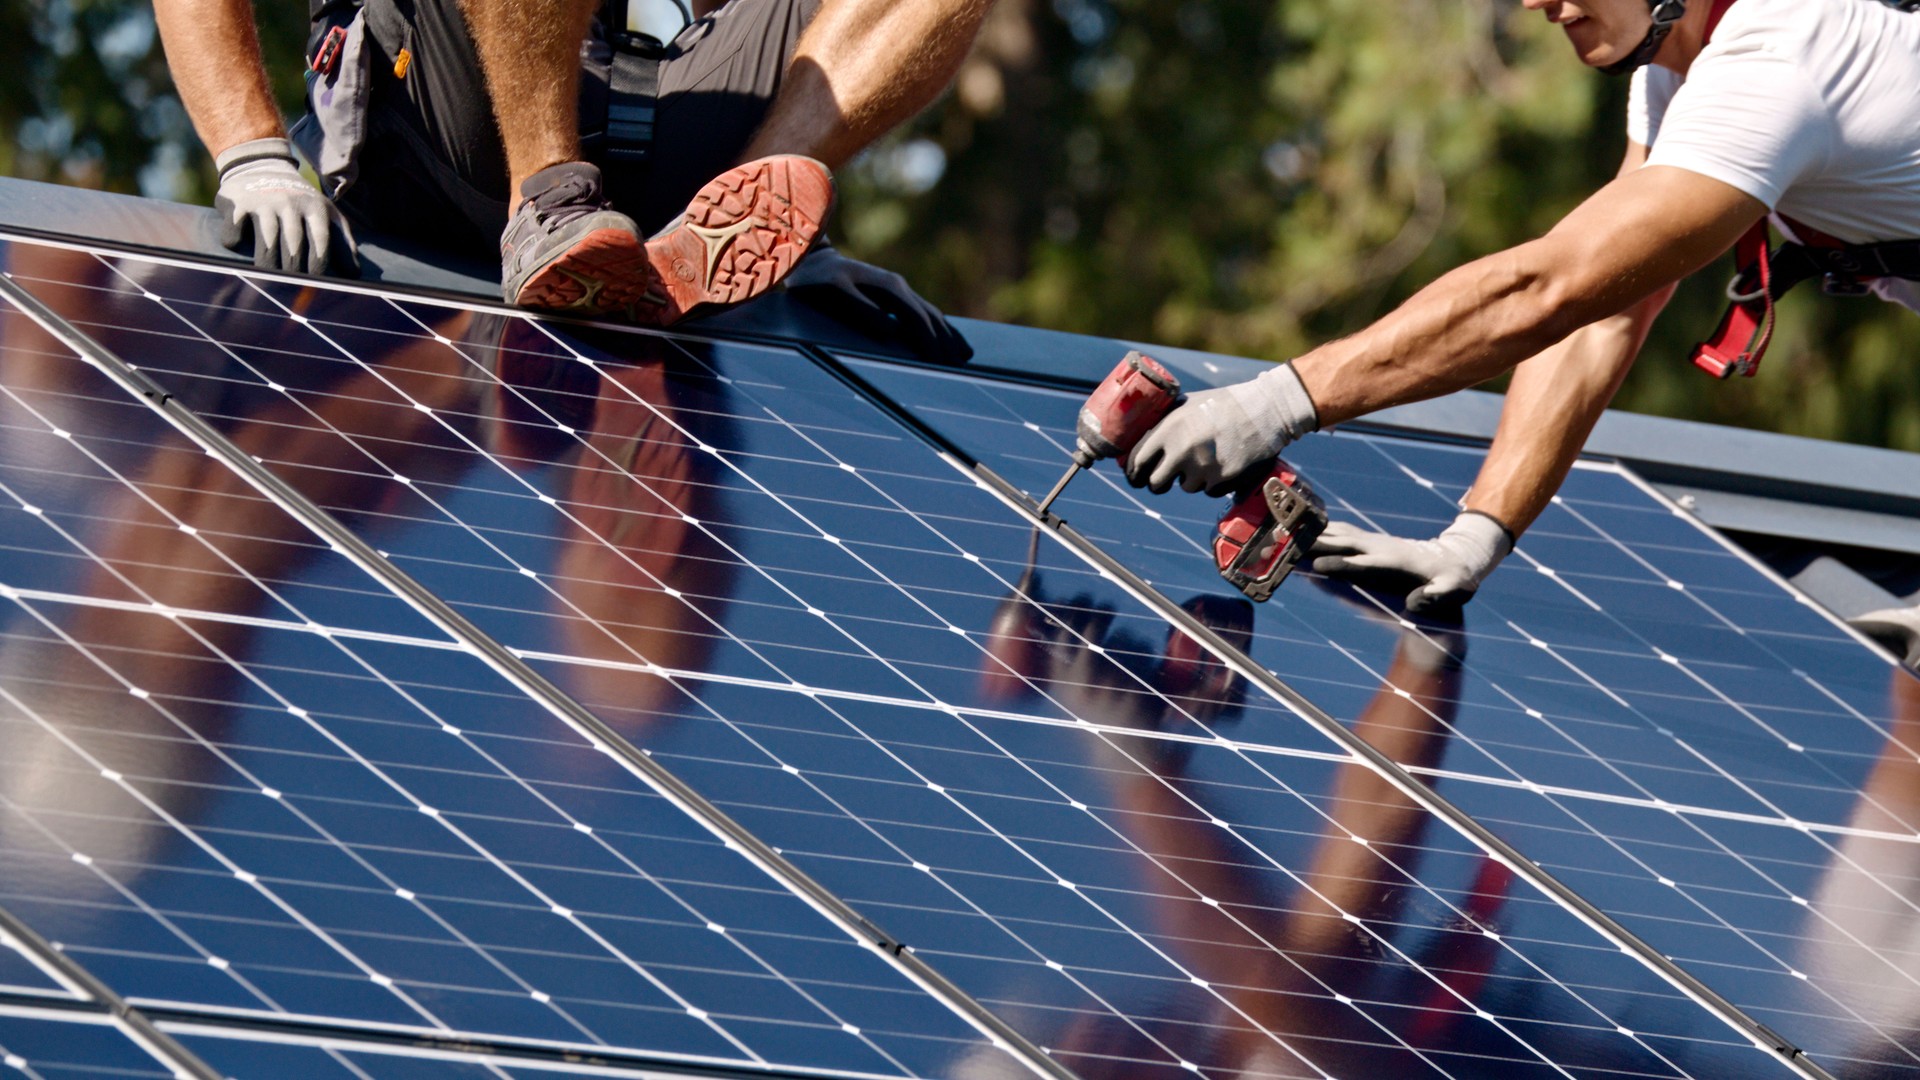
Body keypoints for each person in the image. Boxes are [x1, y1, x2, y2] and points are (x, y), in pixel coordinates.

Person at [1122, 0, 1920, 611]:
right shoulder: (1681, 66)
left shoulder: (1776, 62)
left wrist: (1273, 402)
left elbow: (1547, 287)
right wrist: (1477, 534)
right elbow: (1609, 303)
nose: (1538, 1)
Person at [150, 0, 981, 361]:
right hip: (443, 136)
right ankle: (544, 199)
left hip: (639, 150)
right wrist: (252, 153)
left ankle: (740, 199)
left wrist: (799, 239)